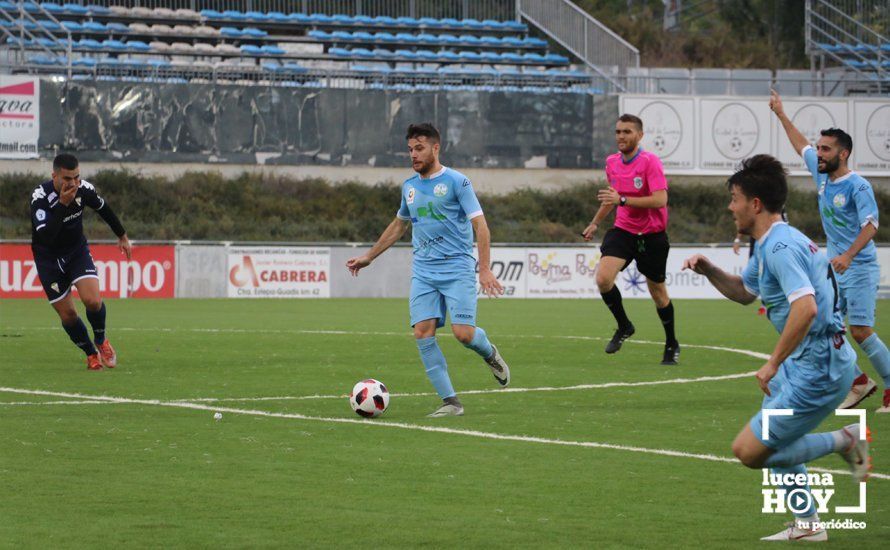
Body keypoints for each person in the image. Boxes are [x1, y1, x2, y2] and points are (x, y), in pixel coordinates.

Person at [683, 155, 869, 542]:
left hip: (818, 369)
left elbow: (806, 308)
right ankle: (808, 525)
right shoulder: (769, 243)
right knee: (772, 440)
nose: (729, 206)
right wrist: (710, 270)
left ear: (754, 204)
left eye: (734, 198)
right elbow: (745, 293)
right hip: (807, 364)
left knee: (751, 452)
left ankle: (846, 440)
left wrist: (771, 363)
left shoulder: (780, 247)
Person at [345, 123, 510, 417]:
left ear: (436, 148)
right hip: (423, 271)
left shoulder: (458, 182)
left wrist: (484, 269)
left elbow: (480, 226)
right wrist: (370, 256)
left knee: (463, 334)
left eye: (419, 148)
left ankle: (490, 353)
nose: (413, 155)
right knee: (422, 333)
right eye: (410, 150)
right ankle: (451, 402)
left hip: (457, 268)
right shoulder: (409, 187)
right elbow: (399, 225)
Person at [770, 89, 888, 413]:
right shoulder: (821, 175)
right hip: (834, 268)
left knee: (860, 331)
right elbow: (800, 145)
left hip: (859, 267)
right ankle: (858, 382)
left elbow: (872, 225)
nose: (818, 153)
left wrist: (849, 255)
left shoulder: (857, 185)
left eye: (826, 149)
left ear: (843, 154)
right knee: (822, 327)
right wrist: (780, 113)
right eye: (819, 148)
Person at [582, 114, 680, 365]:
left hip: (652, 235)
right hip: (624, 230)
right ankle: (624, 325)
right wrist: (595, 222)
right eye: (618, 132)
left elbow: (660, 200)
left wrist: (623, 200)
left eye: (627, 132)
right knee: (603, 278)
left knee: (658, 292)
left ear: (640, 135)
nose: (621, 136)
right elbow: (612, 198)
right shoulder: (612, 162)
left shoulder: (650, 162)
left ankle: (671, 343)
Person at [30, 153, 131, 370]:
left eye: (76, 177)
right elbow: (46, 237)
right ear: (54, 176)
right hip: (48, 260)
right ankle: (90, 353)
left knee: (93, 301)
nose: (73, 183)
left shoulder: (83, 189)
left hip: (76, 252)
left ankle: (101, 340)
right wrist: (63, 205)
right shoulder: (39, 197)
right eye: (67, 179)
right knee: (68, 315)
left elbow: (103, 208)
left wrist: (121, 235)